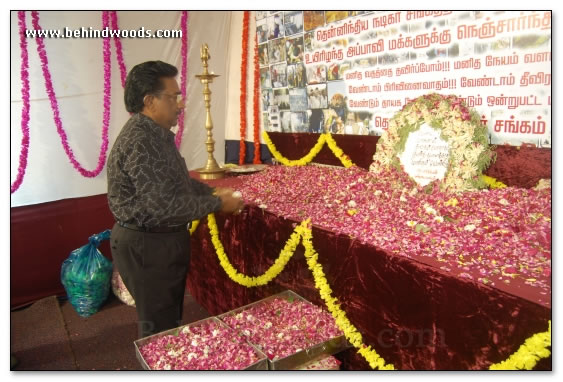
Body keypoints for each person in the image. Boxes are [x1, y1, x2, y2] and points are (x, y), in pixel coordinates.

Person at [107, 61, 243, 339]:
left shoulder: (154, 135)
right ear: (149, 101)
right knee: (159, 331)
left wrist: (210, 192)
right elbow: (162, 207)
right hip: (148, 246)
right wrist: (218, 204)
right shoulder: (141, 140)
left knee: (167, 320)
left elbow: (178, 184)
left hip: (156, 243)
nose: (180, 104)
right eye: (173, 96)